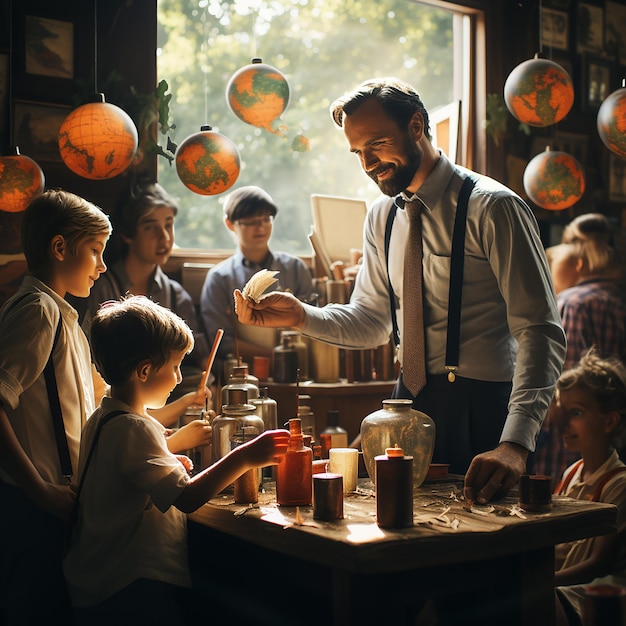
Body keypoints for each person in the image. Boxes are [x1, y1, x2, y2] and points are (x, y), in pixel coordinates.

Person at [234, 77, 566, 504]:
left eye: (377, 144)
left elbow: (540, 331)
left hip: (485, 413)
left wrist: (515, 443)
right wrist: (300, 316)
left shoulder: (493, 207)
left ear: (415, 126)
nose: (369, 163)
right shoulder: (381, 217)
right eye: (358, 152)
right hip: (407, 405)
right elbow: (372, 322)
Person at [63, 295, 289, 626]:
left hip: (96, 579)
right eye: (175, 366)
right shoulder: (133, 428)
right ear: (144, 371)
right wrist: (247, 456)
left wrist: (168, 460)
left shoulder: (102, 418)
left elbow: (131, 476)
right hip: (128, 585)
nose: (180, 378)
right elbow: (186, 498)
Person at [0, 189, 112, 625]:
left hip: (54, 499)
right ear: (60, 247)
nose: (102, 266)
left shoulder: (63, 317)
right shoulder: (38, 311)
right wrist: (39, 490)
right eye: (96, 251)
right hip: (31, 501)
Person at [67, 181, 213, 451]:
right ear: (127, 234)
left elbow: (195, 365)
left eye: (168, 225)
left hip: (161, 413)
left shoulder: (175, 295)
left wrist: (191, 399)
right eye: (150, 227)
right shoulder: (97, 287)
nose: (164, 237)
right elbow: (93, 364)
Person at [534, 213, 626, 487]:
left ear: (579, 263)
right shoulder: (619, 300)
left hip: (570, 448)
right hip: (613, 439)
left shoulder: (573, 304)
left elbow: (566, 387)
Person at [200, 185, 314, 372]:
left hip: (299, 368)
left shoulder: (295, 268)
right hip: (244, 372)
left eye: (266, 219)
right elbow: (221, 341)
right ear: (230, 223)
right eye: (250, 222)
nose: (260, 227)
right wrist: (274, 354)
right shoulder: (219, 278)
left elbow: (312, 320)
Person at [552, 349, 626, 626]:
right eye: (562, 412)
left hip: (595, 591)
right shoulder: (572, 473)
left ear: (609, 421)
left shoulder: (618, 483)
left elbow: (598, 564)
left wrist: (540, 581)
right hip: (562, 582)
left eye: (576, 413)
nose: (563, 423)